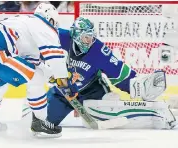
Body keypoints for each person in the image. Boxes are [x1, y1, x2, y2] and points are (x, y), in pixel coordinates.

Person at [45, 17, 176, 129]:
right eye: (86, 38)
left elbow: (118, 73)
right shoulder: (58, 37)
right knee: (44, 121)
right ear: (76, 35)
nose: (89, 41)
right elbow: (39, 39)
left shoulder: (99, 50)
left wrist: (137, 86)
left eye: (91, 37)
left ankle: (155, 116)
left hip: (92, 91)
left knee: (111, 110)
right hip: (63, 92)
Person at [0, 3, 78, 138]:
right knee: (36, 77)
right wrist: (65, 83)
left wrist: (53, 77)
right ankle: (40, 122)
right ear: (51, 19)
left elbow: (31, 64)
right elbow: (55, 58)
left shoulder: (24, 23)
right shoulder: (43, 26)